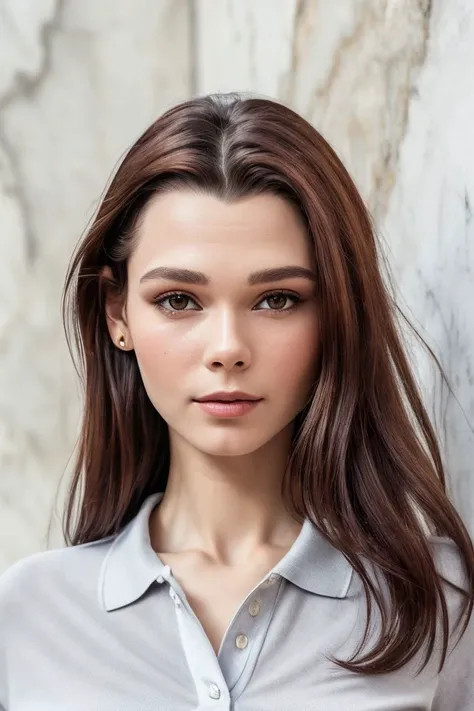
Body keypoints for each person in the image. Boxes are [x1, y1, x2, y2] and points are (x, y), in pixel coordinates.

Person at [0, 92, 473, 710]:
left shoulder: (438, 598)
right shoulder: (30, 614)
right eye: (178, 300)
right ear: (118, 312)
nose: (228, 348)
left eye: (277, 299)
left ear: (335, 315)